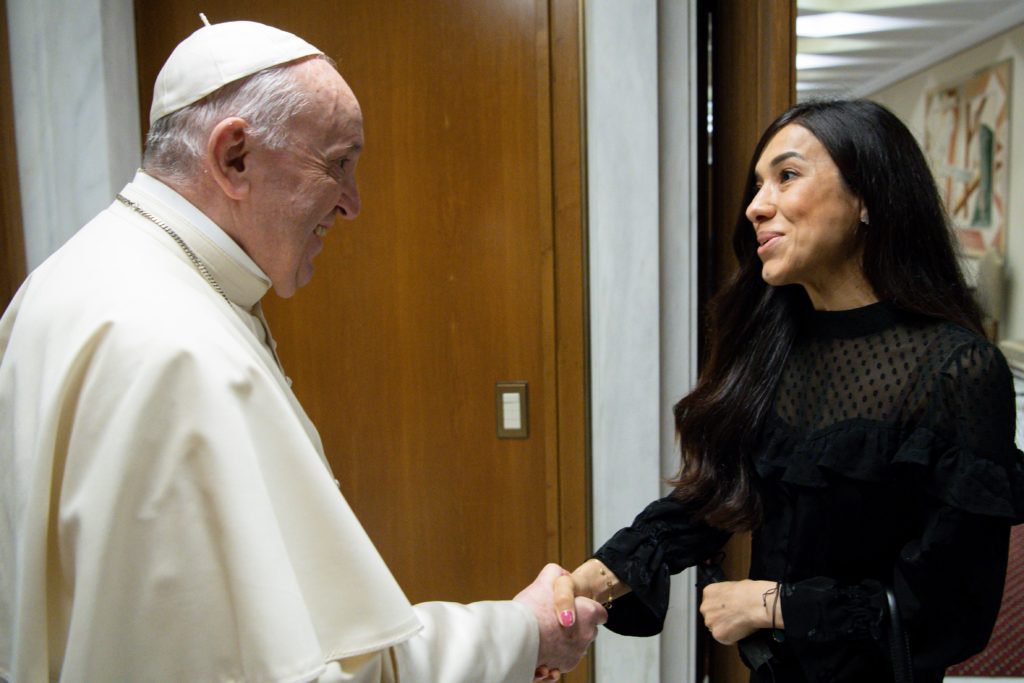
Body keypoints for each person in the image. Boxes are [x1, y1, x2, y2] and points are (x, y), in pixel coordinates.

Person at [0, 19, 604, 683]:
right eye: (337, 163)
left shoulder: (65, 281)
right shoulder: (182, 354)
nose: (352, 203)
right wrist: (523, 632)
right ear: (234, 158)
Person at [552, 99, 1024, 682]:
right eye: (757, 185)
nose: (756, 206)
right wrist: (576, 588)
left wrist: (770, 603)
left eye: (787, 176)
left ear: (868, 198)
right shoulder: (772, 347)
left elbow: (953, 610)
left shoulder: (957, 370)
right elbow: (713, 501)